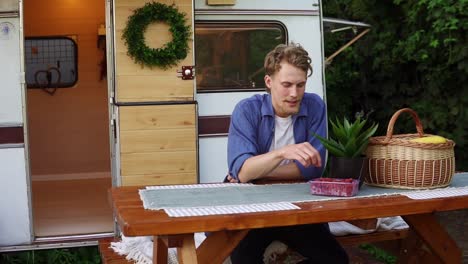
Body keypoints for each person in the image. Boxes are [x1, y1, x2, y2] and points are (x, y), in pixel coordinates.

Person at [226, 43, 349, 263]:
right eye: (287, 84)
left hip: (297, 205)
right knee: (242, 259)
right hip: (254, 206)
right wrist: (283, 154)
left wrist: (257, 172)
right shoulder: (246, 110)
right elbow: (243, 171)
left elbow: (313, 167)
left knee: (336, 260)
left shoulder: (314, 106)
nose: (294, 94)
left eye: (300, 85)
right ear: (269, 82)